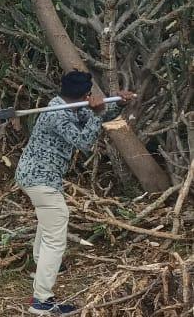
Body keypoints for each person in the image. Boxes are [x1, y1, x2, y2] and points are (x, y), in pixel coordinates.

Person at [14, 70, 136, 315]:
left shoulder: (66, 104)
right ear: (85, 93)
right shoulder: (57, 113)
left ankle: (41, 265)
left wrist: (116, 106)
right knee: (56, 232)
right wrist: (98, 113)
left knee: (49, 223)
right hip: (41, 179)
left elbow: (89, 116)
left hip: (35, 177)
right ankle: (42, 301)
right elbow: (84, 141)